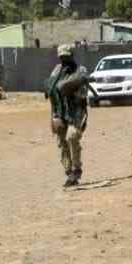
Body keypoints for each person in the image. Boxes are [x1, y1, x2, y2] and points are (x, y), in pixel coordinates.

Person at [46, 45, 90, 187]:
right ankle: (69, 173)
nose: (64, 59)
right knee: (62, 143)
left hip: (76, 112)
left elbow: (83, 94)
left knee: (72, 137)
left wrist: (71, 88)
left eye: (67, 56)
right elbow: (51, 89)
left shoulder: (80, 71)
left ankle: (77, 169)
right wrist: (53, 116)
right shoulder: (57, 70)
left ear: (72, 56)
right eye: (62, 57)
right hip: (60, 112)